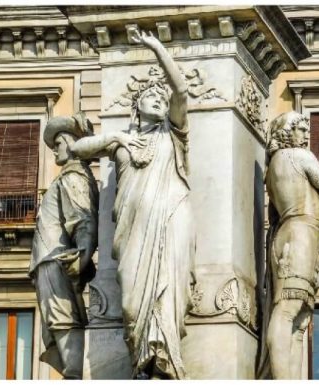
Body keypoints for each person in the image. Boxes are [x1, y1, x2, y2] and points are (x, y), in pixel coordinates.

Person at [70, 29, 194, 379]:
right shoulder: (121, 141)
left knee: (169, 294)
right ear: (136, 106)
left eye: (160, 96)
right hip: (133, 228)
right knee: (131, 301)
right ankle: (141, 358)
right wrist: (114, 136)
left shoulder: (175, 132)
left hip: (172, 217)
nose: (157, 98)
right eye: (150, 96)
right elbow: (77, 150)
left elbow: (181, 90)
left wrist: (156, 48)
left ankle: (166, 361)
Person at [264, 111, 319, 379]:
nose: (306, 133)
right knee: (289, 312)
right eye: (299, 128)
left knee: (299, 318)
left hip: (287, 235)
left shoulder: (272, 169)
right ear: (286, 132)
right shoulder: (300, 156)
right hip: (302, 235)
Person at [30, 113, 98, 379]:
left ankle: (75, 374)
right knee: (58, 318)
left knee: (63, 317)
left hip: (56, 260)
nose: (54, 148)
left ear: (71, 143)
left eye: (58, 142)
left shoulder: (73, 177)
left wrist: (81, 257)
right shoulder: (68, 177)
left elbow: (83, 219)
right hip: (51, 259)